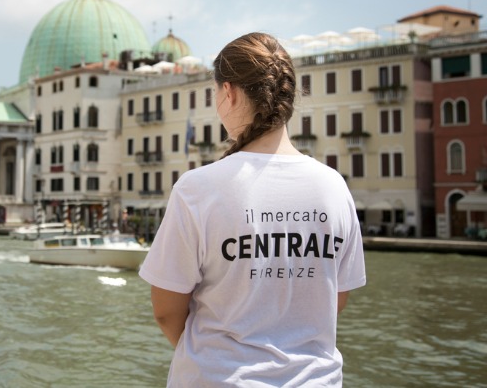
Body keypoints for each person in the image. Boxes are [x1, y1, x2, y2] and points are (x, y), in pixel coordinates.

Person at [139, 32, 367, 387]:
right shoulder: (334, 187)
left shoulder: (197, 188)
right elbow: (333, 301)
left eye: (215, 93)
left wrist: (213, 357)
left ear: (228, 92)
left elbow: (166, 312)